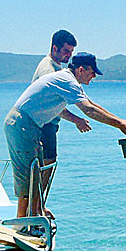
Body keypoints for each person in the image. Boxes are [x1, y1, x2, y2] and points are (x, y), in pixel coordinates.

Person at [4, 52, 126, 218]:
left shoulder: (68, 81)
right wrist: (120, 125)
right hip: (22, 124)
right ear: (81, 69)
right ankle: (24, 221)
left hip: (27, 125)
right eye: (92, 72)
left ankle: (31, 217)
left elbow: (90, 105)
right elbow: (89, 110)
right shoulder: (66, 80)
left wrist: (121, 121)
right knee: (29, 174)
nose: (94, 76)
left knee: (35, 172)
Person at [31, 30, 92, 172]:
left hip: (48, 125)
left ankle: (39, 194)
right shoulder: (48, 70)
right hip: (42, 126)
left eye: (71, 51)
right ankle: (36, 195)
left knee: (48, 166)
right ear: (54, 48)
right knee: (45, 167)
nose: (69, 55)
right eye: (66, 51)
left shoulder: (57, 68)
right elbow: (58, 109)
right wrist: (77, 120)